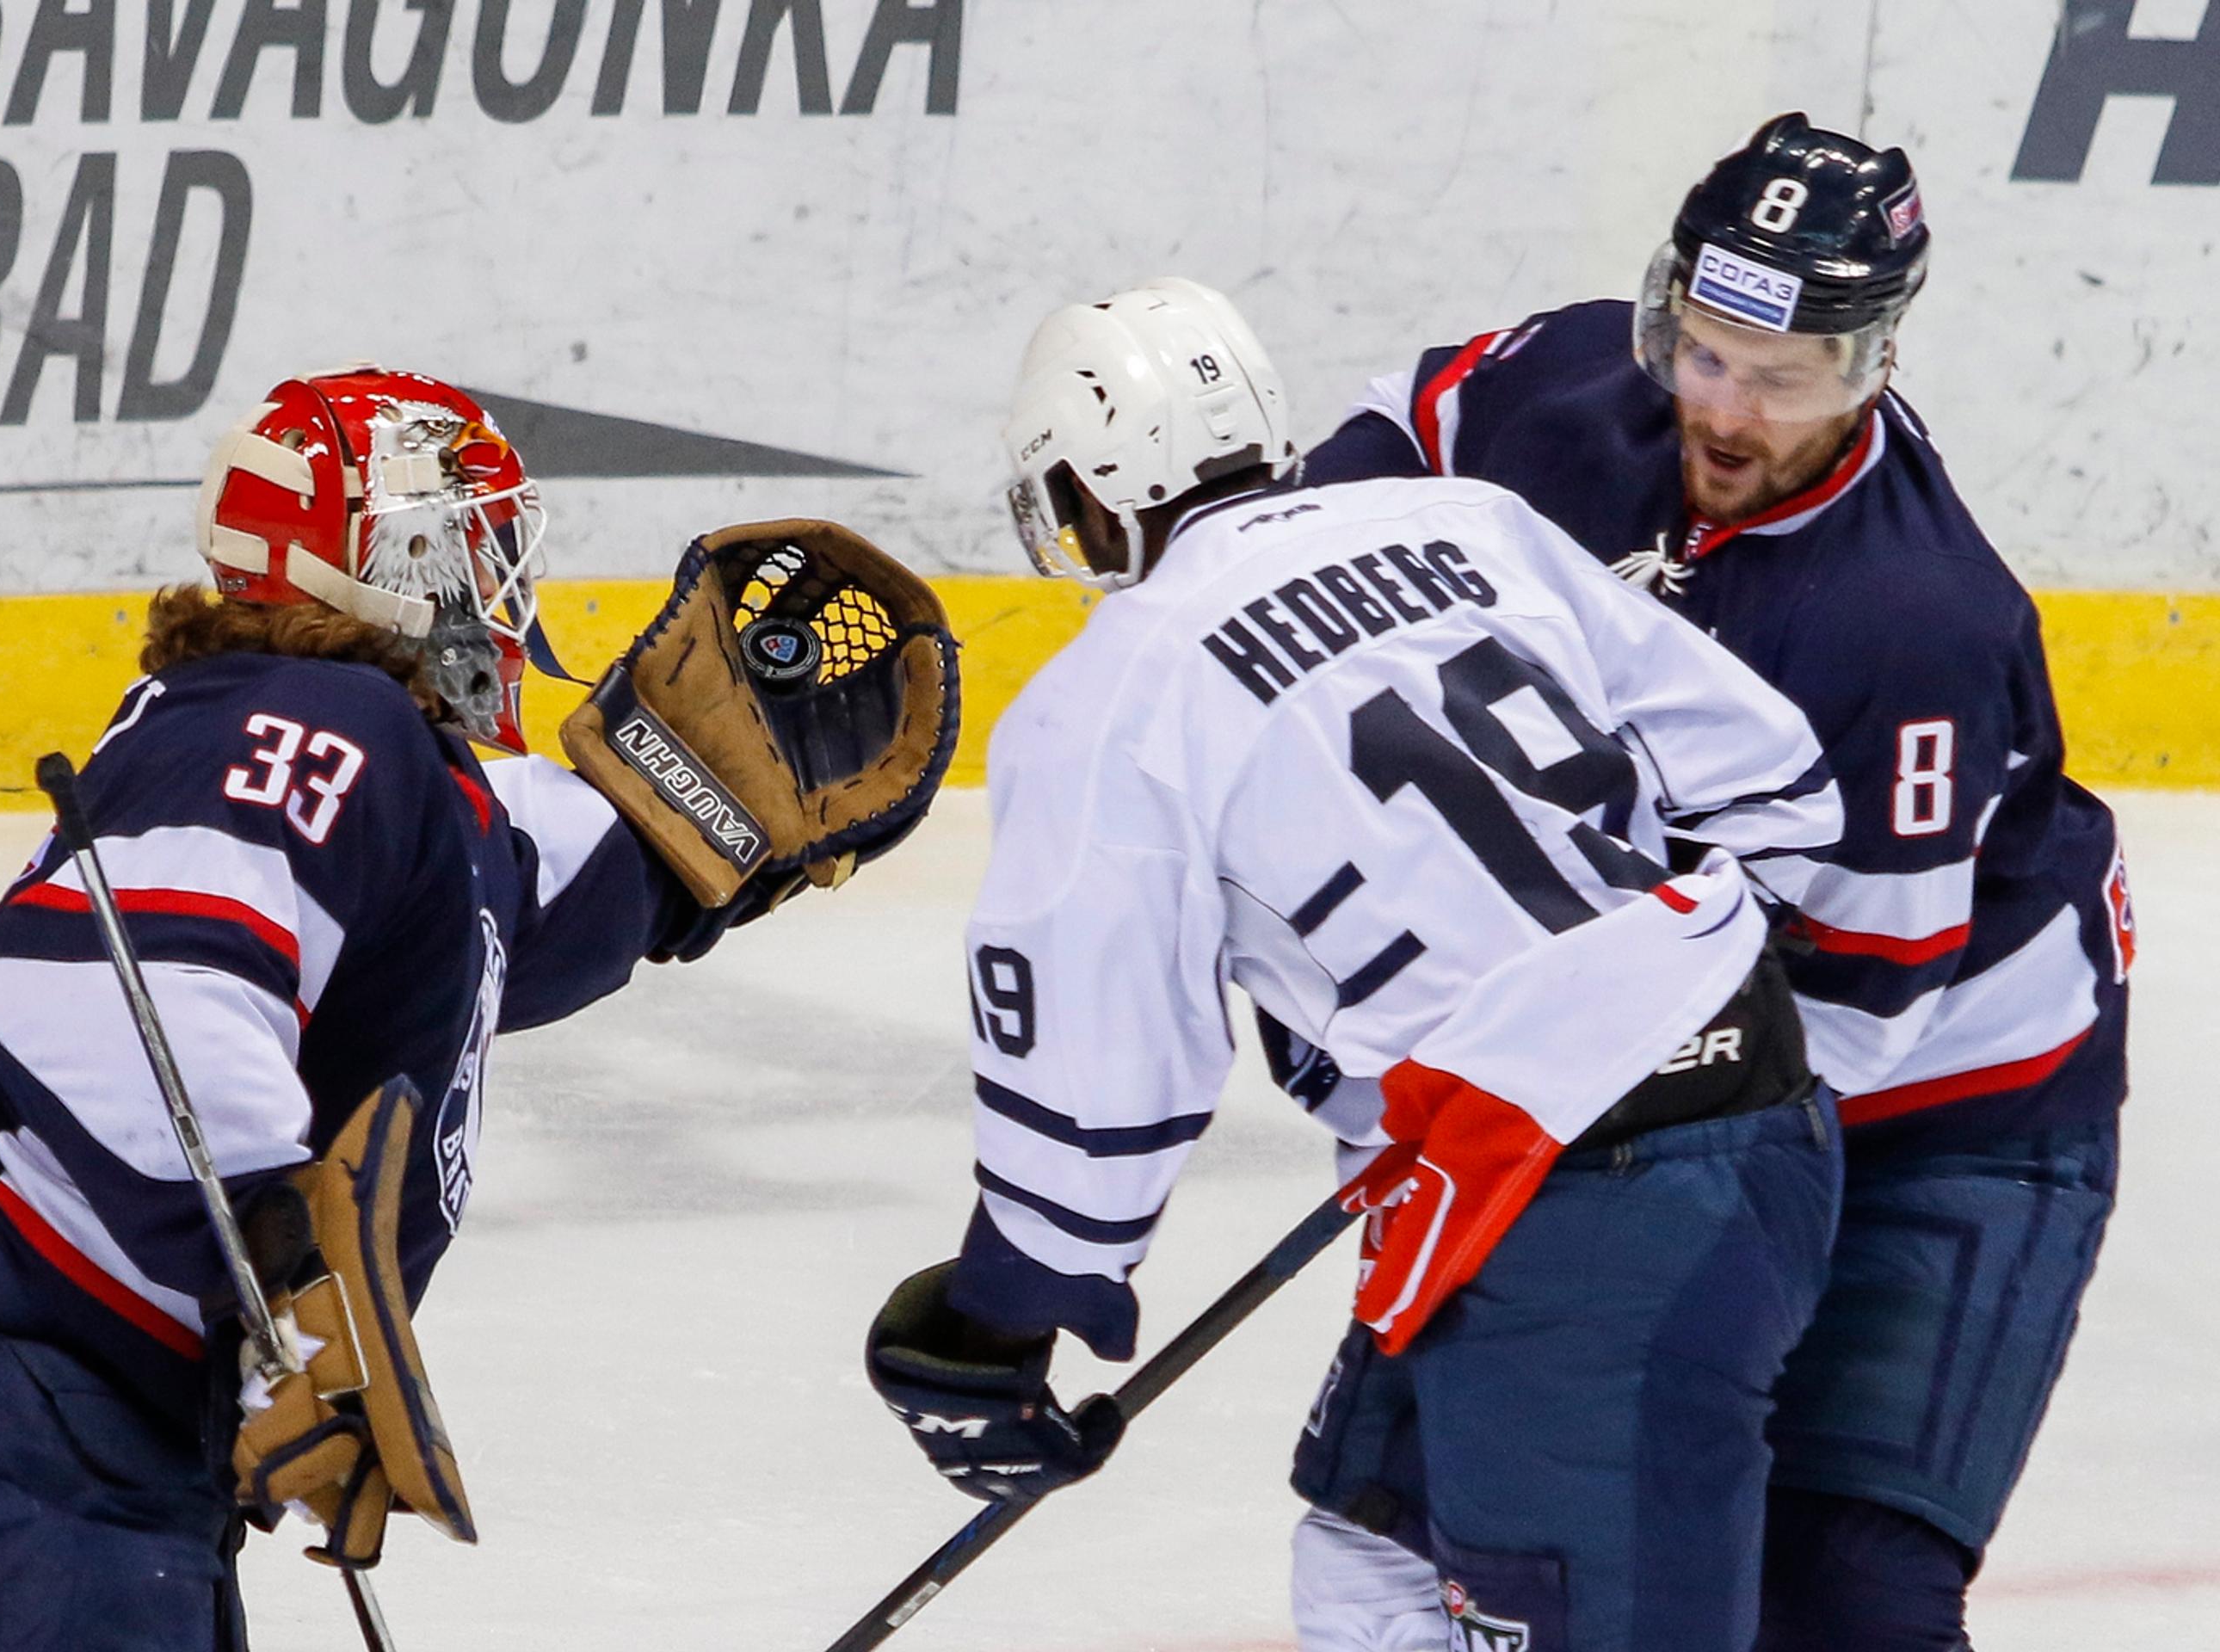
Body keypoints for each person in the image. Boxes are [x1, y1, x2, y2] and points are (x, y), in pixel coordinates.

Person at [0, 367, 959, 1650]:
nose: (499, 586)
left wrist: (687, 829)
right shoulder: (307, 721)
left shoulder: (386, 774)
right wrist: (284, 1304)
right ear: (393, 557)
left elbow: (522, 889)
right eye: (473, 542)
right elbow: (129, 986)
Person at [863, 278, 1851, 1650]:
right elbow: (1777, 786)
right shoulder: (1468, 522)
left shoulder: (1109, 702)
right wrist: (1551, 993)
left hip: (1583, 1215)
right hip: (1733, 1133)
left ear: (1085, 494)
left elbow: (1102, 1091)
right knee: (1371, 1555)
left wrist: (1000, 1318)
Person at [1300, 114, 2131, 1649]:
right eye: (1700, 353)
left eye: (1783, 379)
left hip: (1947, 1121)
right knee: (1415, 1531)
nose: (1725, 414)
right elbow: (1391, 438)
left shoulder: (1911, 621)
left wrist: (1534, 1058)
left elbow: (1861, 1018)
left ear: (1873, 361)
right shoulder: (1570, 394)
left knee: (1838, 1609)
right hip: (1657, 1062)